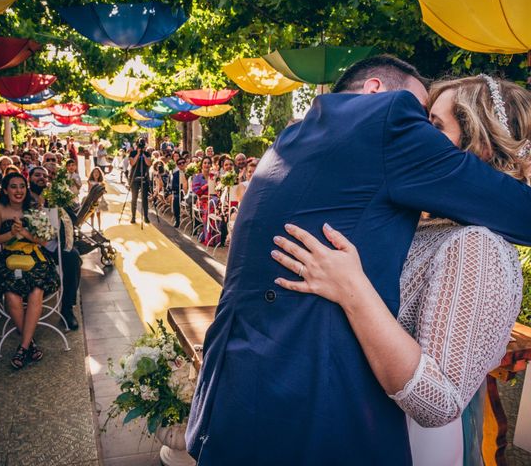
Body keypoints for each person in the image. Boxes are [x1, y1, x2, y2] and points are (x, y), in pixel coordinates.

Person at [186, 56, 531, 465]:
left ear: (482, 145)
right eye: (422, 119)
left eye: (432, 125)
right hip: (312, 413)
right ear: (374, 93)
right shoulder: (386, 122)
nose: (418, 134)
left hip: (253, 400)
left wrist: (353, 289)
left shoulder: (295, 140)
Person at [0, 173, 60, 369]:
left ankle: (23, 347)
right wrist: (10, 234)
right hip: (9, 258)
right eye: (13, 186)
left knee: (36, 291)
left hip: (35, 258)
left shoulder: (33, 208)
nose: (18, 190)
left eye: (22, 186)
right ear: (5, 190)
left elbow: (44, 240)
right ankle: (31, 345)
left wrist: (25, 233)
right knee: (12, 296)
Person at [29, 167, 81, 331]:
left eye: (45, 175)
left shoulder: (55, 194)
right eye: (37, 175)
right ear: (29, 178)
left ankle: (67, 308)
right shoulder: (23, 195)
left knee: (73, 257)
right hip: (29, 246)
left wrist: (61, 205)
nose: (42, 178)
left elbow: (73, 218)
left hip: (52, 246)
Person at [128, 139, 151, 224]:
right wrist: (138, 154)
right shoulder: (133, 153)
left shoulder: (147, 153)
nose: (140, 147)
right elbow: (132, 163)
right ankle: (133, 216)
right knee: (134, 198)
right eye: (139, 145)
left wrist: (143, 155)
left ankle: (146, 216)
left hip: (144, 177)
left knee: (145, 198)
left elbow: (149, 164)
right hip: (134, 177)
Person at [87, 167, 108, 231]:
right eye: (94, 172)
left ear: (100, 174)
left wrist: (104, 191)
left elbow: (103, 191)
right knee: (92, 214)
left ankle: (99, 228)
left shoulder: (101, 183)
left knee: (98, 214)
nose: (96, 174)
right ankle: (92, 227)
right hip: (92, 199)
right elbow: (89, 190)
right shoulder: (90, 182)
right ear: (92, 174)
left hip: (99, 200)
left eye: (97, 172)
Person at [171, 157, 188, 228]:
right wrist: (182, 187)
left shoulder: (190, 172)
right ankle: (177, 220)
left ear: (186, 163)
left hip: (190, 192)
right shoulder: (175, 174)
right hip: (180, 192)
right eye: (179, 163)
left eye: (183, 163)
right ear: (177, 165)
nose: (182, 164)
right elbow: (173, 186)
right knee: (176, 198)